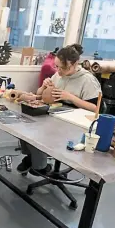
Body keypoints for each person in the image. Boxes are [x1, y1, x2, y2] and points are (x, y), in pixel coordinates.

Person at [17, 44, 101, 175]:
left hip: (74, 124)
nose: (59, 71)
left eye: (63, 68)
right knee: (25, 124)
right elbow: (40, 94)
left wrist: (71, 98)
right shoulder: (59, 75)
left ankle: (39, 165)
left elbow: (96, 108)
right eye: (57, 67)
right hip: (56, 115)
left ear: (74, 64)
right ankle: (33, 158)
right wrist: (44, 87)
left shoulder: (88, 80)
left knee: (38, 134)